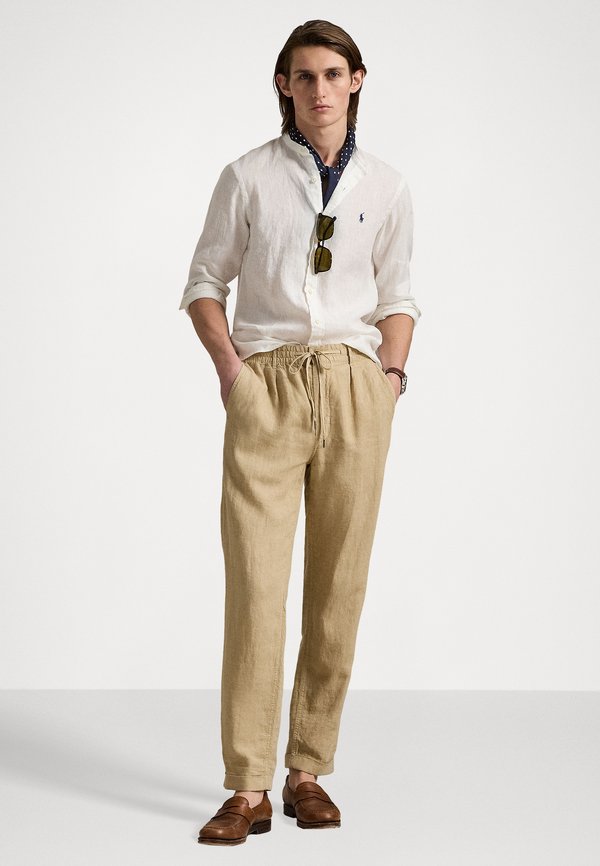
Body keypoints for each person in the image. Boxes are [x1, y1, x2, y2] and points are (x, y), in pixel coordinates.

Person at [179, 19, 421, 846]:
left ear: (357, 80)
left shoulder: (387, 185)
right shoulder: (247, 176)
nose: (319, 89)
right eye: (303, 75)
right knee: (255, 586)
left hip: (356, 386)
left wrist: (388, 381)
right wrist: (232, 374)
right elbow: (204, 282)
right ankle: (246, 786)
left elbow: (399, 294)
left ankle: (307, 771)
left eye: (332, 74)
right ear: (283, 85)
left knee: (338, 585)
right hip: (269, 385)